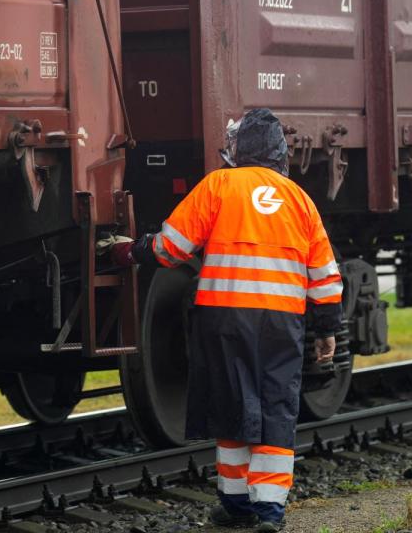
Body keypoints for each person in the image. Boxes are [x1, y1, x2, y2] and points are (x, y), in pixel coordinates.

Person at [109, 108, 343, 531]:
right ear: (280, 152)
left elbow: (171, 250)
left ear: (241, 148)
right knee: (276, 407)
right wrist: (327, 330)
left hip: (223, 320)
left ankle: (236, 506)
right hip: (281, 325)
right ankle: (270, 511)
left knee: (229, 403)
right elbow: (325, 277)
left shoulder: (218, 185)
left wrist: (131, 250)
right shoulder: (299, 199)